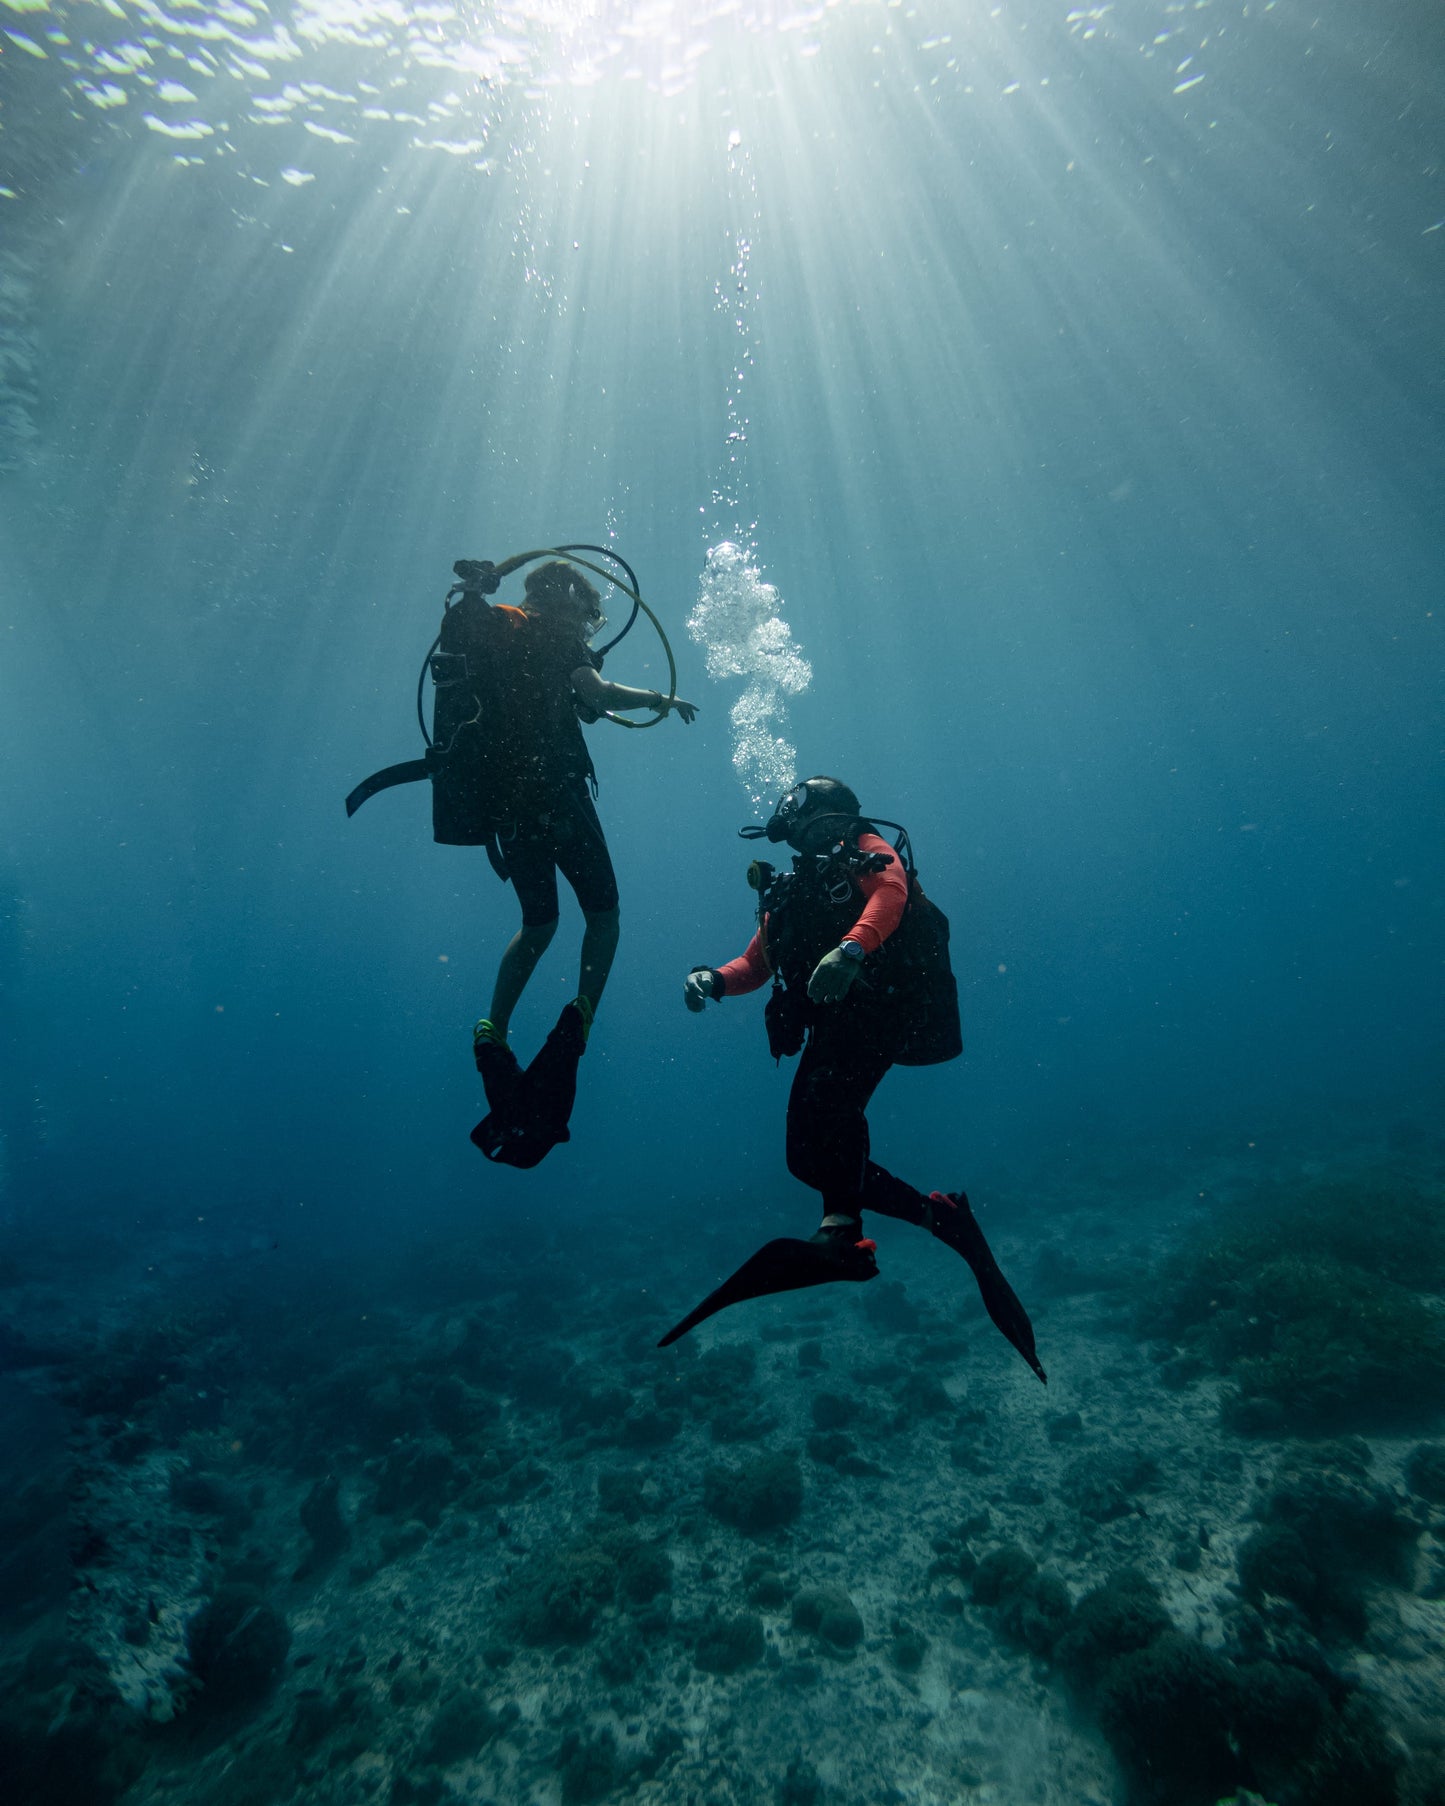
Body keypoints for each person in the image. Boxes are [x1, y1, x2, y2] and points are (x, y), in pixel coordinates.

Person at [664, 775, 1045, 1381]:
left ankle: (841, 1231)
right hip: (838, 1019)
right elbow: (756, 963)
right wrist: (711, 978)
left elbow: (890, 892)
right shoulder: (793, 888)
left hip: (880, 1007)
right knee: (803, 1153)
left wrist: (852, 950)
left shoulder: (864, 848)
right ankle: (934, 1216)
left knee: (827, 1109)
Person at [437, 559, 697, 1165]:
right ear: (572, 605)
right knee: (603, 917)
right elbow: (597, 696)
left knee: (539, 924)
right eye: (588, 612)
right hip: (556, 795)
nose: (589, 622)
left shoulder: (501, 635)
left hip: (506, 804)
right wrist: (662, 698)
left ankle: (492, 1030)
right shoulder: (556, 639)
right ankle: (579, 1020)